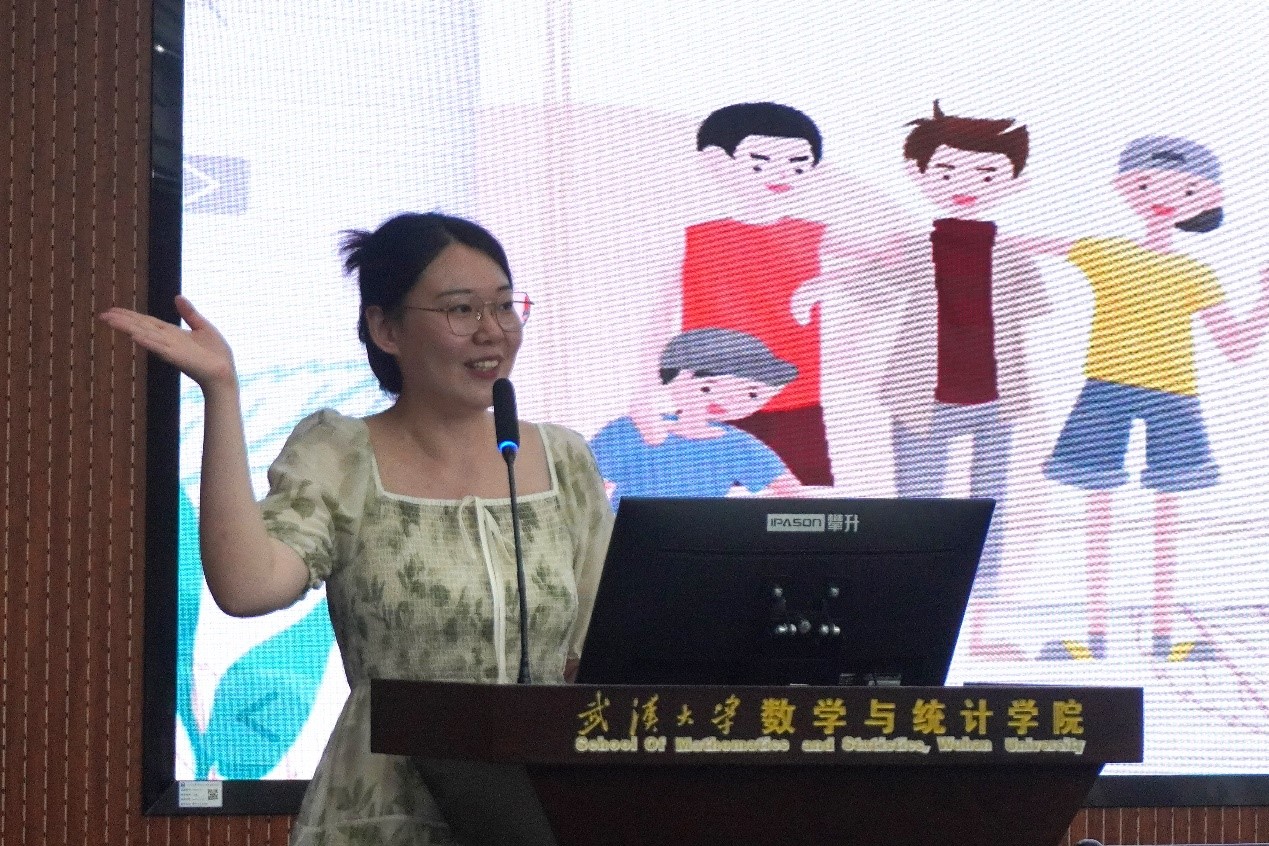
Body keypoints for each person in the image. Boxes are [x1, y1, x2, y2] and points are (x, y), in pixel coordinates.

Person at [101, 212, 614, 844]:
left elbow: (604, 652)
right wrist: (221, 390)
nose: (492, 330)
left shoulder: (564, 461)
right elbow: (247, 587)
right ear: (385, 328)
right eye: (461, 309)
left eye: (505, 306)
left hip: (539, 817)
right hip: (381, 815)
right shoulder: (342, 452)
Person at [1021, 136, 1269, 661]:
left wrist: (1264, 297)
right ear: (1123, 187)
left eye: (1186, 190)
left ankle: (1162, 637)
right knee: (1098, 508)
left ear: (1209, 199)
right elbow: (1023, 242)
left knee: (1166, 513)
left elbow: (1237, 347)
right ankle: (1095, 637)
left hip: (1174, 396)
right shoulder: (1106, 252)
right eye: (1146, 184)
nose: (1161, 197)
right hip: (1104, 390)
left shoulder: (1196, 273)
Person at [590, 327, 803, 509]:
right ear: (671, 378)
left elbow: (796, 497)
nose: (726, 400)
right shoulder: (628, 429)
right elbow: (583, 493)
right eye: (707, 387)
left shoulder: (738, 446)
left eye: (751, 394)